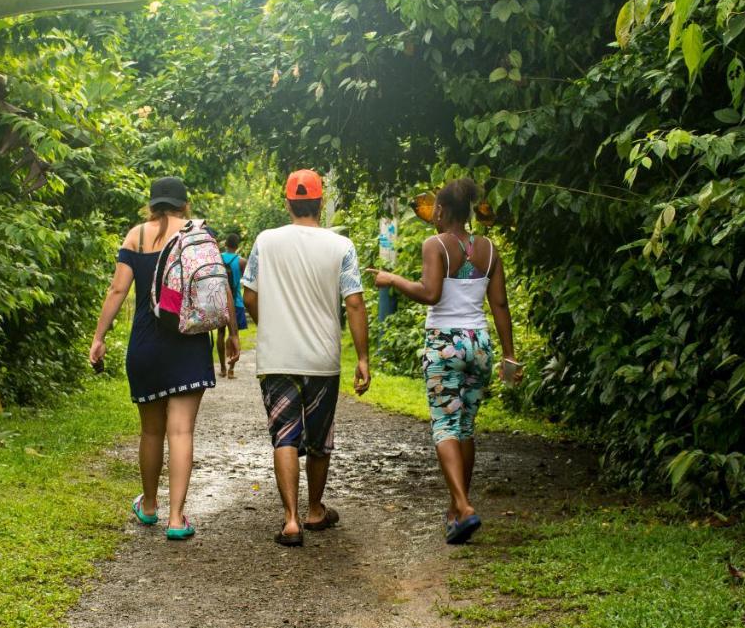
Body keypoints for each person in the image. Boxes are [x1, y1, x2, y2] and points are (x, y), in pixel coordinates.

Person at [370, 178, 520, 545]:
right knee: (465, 427)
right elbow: (499, 305)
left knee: (444, 425)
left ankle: (464, 507)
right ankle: (456, 510)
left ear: (440, 210)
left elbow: (430, 293)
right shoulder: (489, 248)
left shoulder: (435, 245)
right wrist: (509, 355)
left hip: (445, 343)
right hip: (480, 344)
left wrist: (392, 279)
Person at [90, 176, 240, 540]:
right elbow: (217, 287)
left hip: (146, 345)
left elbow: (118, 289)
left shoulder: (135, 236)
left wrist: (99, 337)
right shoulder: (199, 235)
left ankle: (149, 506)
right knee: (182, 430)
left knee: (151, 430)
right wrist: (233, 333)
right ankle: (176, 518)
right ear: (185, 204)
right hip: (188, 343)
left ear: (151, 204)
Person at [242, 169, 371, 547]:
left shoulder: (266, 241)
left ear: (288, 203)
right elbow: (355, 303)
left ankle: (291, 520)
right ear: (319, 202)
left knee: (284, 435)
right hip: (322, 358)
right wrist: (362, 358)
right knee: (319, 438)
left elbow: (248, 293)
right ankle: (316, 509)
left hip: (277, 358)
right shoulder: (341, 246)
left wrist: (267, 324)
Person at [216, 232, 247, 379]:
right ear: (237, 245)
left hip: (220, 301)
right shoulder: (241, 261)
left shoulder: (218, 258)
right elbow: (246, 281)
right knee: (234, 334)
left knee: (220, 334)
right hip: (236, 302)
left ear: (226, 244)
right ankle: (231, 370)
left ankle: (222, 368)